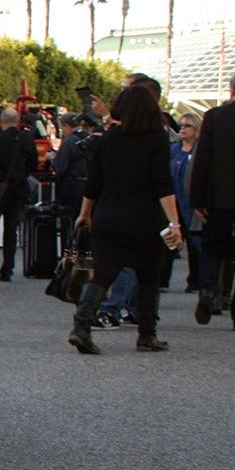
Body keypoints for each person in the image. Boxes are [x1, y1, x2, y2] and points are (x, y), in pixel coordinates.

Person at [68, 85, 183, 354]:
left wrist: (84, 214)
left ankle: (81, 326)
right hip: (145, 218)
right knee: (148, 276)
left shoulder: (109, 138)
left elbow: (94, 182)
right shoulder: (156, 139)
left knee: (103, 274)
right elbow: (163, 185)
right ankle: (147, 335)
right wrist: (174, 223)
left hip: (108, 215)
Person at [189, 69, 235, 328]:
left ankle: (207, 289)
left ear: (231, 90)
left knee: (212, 246)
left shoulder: (215, 117)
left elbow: (203, 160)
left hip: (219, 197)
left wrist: (197, 198)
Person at [0, 109, 39, 281]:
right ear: (17, 120)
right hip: (18, 188)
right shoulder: (26, 139)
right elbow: (34, 163)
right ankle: (7, 270)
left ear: (1, 121)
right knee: (11, 229)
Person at [165, 113, 201, 293]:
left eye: (187, 126)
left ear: (196, 130)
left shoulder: (200, 151)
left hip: (191, 201)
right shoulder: (174, 149)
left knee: (195, 242)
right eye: (181, 125)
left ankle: (195, 279)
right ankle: (162, 279)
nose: (183, 129)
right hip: (173, 199)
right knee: (168, 239)